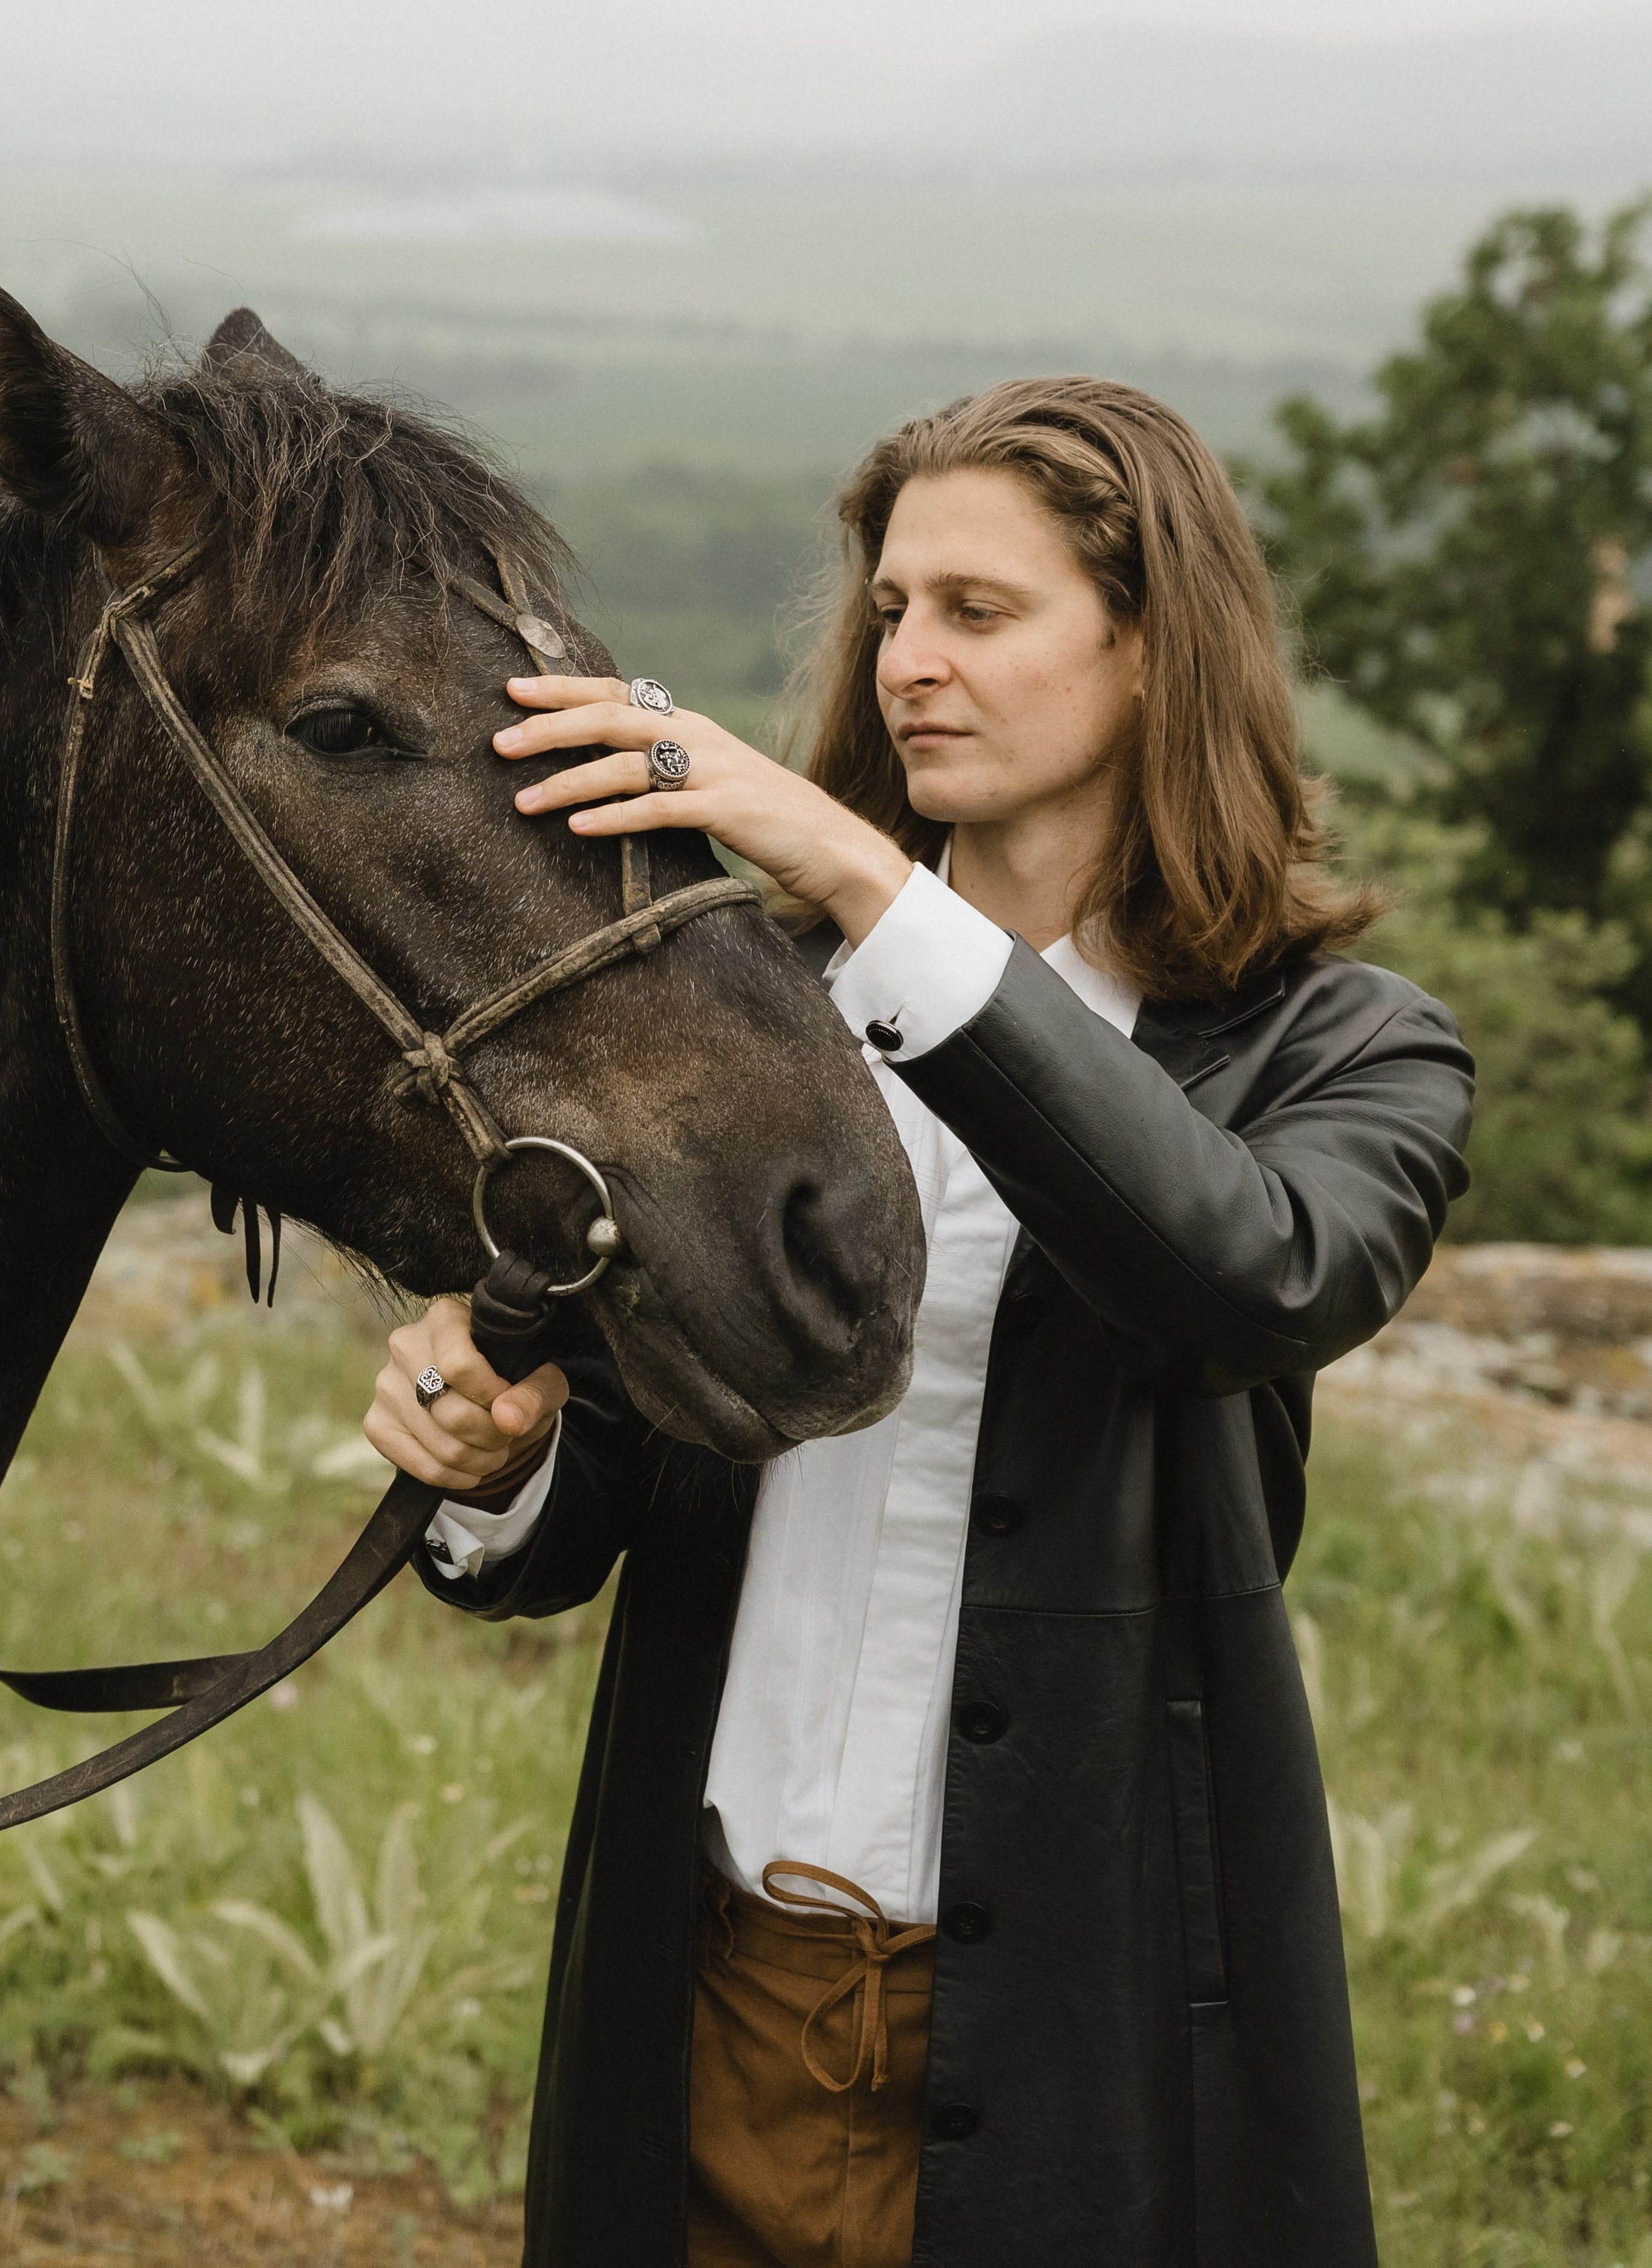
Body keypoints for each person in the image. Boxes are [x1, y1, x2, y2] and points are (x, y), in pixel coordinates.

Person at [361, 376, 1472, 2268]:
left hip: (1088, 2050)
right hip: (710, 1992)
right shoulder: (739, 1028)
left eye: (977, 609)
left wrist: (871, 890)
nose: (906, 663)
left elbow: (1243, 1283)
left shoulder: (1348, 1050)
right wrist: (496, 1463)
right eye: (889, 610)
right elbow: (606, 1471)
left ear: (1149, 648)